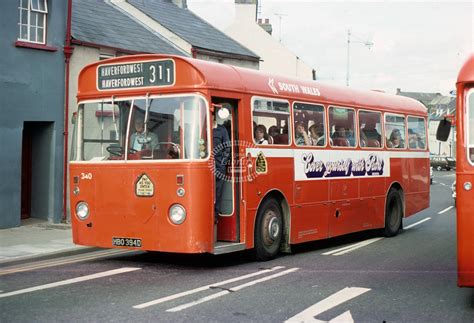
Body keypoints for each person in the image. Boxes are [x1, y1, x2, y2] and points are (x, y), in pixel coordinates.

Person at [213, 109, 231, 223]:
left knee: (218, 191)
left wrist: (222, 163)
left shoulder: (222, 130)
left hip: (219, 165)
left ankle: (215, 215)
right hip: (205, 165)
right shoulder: (203, 129)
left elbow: (227, 147)